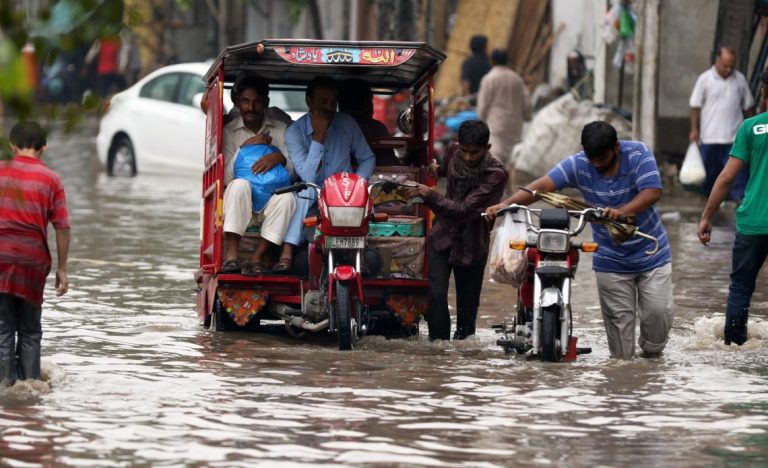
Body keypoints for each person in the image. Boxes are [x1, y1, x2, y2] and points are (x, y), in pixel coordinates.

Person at [486, 121, 674, 359]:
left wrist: (622, 211)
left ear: (616, 147)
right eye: (591, 158)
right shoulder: (579, 164)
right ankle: (627, 374)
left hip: (651, 252)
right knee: (621, 349)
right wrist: (506, 204)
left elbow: (653, 191)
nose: (596, 164)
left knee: (658, 314)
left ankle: (651, 359)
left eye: (602, 158)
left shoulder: (638, 153)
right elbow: (541, 187)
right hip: (610, 258)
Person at [400, 120, 507, 341]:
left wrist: (427, 194)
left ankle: (463, 358)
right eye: (465, 151)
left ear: (487, 149)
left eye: (474, 153)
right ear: (459, 145)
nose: (468, 157)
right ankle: (439, 351)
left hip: (472, 243)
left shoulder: (495, 175)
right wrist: (435, 171)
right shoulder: (451, 152)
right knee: (435, 296)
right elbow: (442, 173)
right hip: (442, 236)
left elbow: (463, 210)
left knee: (467, 313)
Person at [697, 70, 768, 346]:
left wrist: (706, 216)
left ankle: (734, 347)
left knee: (740, 288)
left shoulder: (751, 128)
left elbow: (726, 177)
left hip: (752, 223)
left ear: (763, 93)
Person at [0, 121, 70, 386]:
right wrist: (62, 269)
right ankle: (29, 390)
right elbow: (62, 227)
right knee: (29, 330)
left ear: (12, 146)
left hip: (1, 258)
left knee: (3, 327)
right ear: (43, 148)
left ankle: (5, 392)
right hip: (33, 263)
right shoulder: (51, 179)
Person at [282, 76, 376, 262]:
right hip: (313, 194)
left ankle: (362, 258)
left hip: (344, 192)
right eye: (323, 102)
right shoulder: (295, 131)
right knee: (305, 189)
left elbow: (367, 158)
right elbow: (308, 175)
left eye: (333, 103)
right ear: (309, 102)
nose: (329, 108)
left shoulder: (347, 123)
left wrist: (358, 183)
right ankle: (288, 250)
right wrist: (319, 136)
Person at [220, 74, 296, 275]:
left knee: (288, 197)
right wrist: (244, 148)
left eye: (256, 102)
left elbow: (293, 175)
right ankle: (231, 257)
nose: (250, 108)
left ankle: (257, 257)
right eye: (245, 101)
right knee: (239, 185)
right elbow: (227, 178)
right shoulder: (229, 132)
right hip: (238, 202)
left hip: (269, 203)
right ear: (237, 102)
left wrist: (280, 158)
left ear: (266, 103)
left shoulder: (280, 129)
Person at [689, 46, 754, 201]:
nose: (729, 69)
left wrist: (751, 132)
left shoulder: (740, 79)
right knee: (710, 176)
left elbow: (748, 107)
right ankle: (709, 205)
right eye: (725, 65)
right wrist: (694, 129)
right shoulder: (705, 79)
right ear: (717, 60)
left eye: (732, 65)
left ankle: (740, 204)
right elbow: (695, 106)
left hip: (734, 139)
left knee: (738, 176)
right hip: (710, 138)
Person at [477, 49, 530, 166]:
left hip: (496, 128)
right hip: (515, 128)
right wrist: (526, 117)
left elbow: (482, 106)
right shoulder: (517, 79)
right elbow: (526, 103)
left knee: (496, 163)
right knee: (511, 164)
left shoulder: (489, 79)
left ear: (492, 61)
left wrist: (481, 122)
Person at [338, 78, 400, 166]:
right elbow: (388, 163)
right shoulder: (376, 128)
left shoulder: (330, 125)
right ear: (366, 103)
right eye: (371, 102)